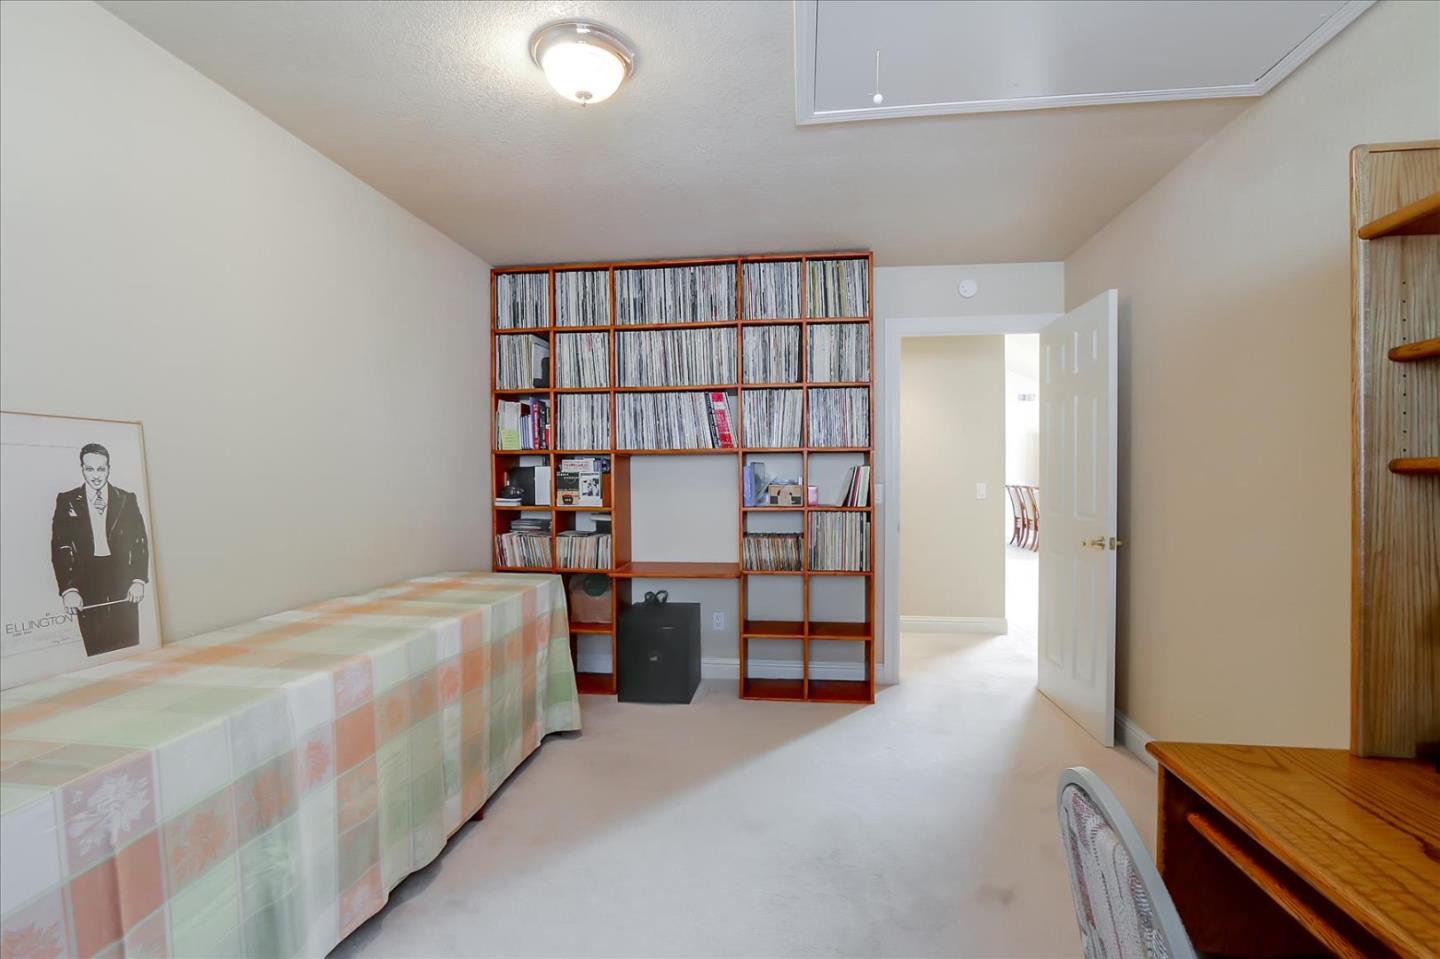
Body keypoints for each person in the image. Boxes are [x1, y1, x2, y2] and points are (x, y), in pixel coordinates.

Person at [51, 443, 150, 655]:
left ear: (108, 468)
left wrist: (138, 580)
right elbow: (60, 546)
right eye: (90, 469)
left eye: (101, 469)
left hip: (121, 574)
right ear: (82, 469)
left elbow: (139, 541)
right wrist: (69, 589)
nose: (96, 475)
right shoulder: (67, 501)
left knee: (128, 637)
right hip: (86, 576)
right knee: (95, 641)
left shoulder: (126, 499)